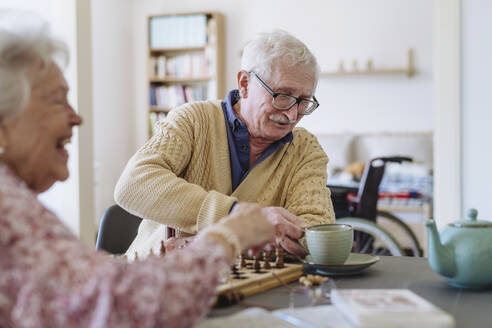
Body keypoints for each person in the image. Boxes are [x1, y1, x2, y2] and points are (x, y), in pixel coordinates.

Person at [0, 10, 289, 328]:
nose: (76, 117)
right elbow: (118, 310)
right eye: (57, 101)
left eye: (303, 101)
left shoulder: (17, 203)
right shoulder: (8, 211)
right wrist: (229, 235)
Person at [115, 30, 335, 259]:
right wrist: (237, 217)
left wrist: (207, 244)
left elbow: (317, 232)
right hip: (155, 276)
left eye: (303, 102)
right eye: (283, 96)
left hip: (246, 288)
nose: (291, 114)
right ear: (245, 84)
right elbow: (133, 184)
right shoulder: (192, 120)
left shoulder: (305, 149)